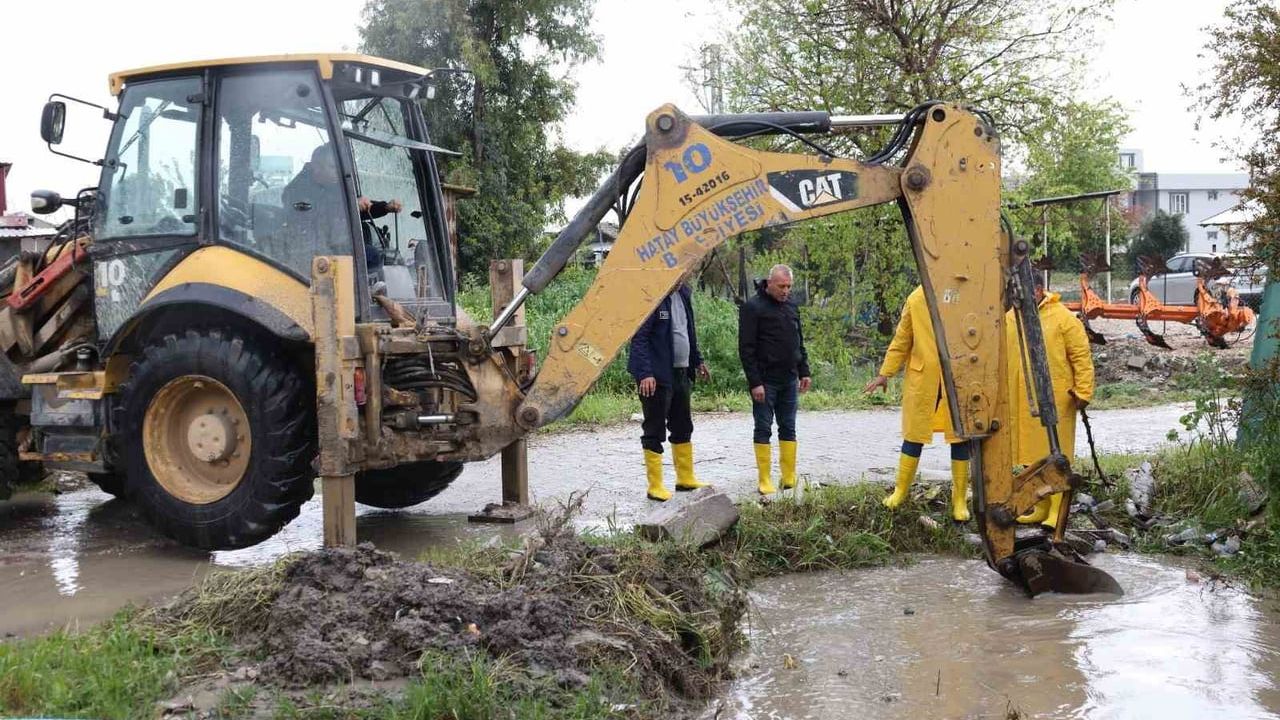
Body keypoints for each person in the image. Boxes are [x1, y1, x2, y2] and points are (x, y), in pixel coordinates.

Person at [864, 285, 971, 522]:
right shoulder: (915, 299)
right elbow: (902, 339)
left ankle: (960, 500)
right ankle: (900, 492)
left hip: (956, 377)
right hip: (924, 379)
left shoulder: (962, 293)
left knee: (960, 435)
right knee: (914, 435)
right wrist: (885, 373)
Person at [1007, 272, 1095, 529]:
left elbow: (1081, 357)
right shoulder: (1011, 318)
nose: (1017, 297)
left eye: (1021, 292)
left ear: (1037, 291)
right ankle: (1040, 505)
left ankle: (1057, 511)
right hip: (1022, 401)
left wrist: (1083, 392)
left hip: (1057, 399)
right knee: (1030, 456)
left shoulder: (1063, 319)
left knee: (1055, 453)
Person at [628, 282, 711, 501]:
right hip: (656, 376)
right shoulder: (651, 296)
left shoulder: (683, 294)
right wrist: (645, 373)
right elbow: (639, 338)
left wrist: (698, 360)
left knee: (683, 425)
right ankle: (655, 486)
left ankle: (685, 478)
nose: (686, 274)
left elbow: (688, 330)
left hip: (681, 372)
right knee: (654, 428)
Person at [738, 264, 812, 495]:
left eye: (789, 286)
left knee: (788, 427)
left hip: (789, 378)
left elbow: (798, 341)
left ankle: (788, 476)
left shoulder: (791, 306)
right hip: (765, 381)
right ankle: (765, 479)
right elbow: (746, 348)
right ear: (769, 283)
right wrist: (754, 382)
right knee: (763, 427)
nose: (785, 291)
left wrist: (804, 371)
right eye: (781, 286)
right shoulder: (753, 308)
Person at [282, 143, 402, 273]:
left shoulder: (331, 185)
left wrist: (385, 207)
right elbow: (318, 214)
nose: (337, 172)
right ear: (316, 166)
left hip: (332, 245)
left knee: (377, 254)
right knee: (371, 256)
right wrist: (351, 205)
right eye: (332, 167)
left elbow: (355, 210)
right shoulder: (297, 190)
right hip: (310, 252)